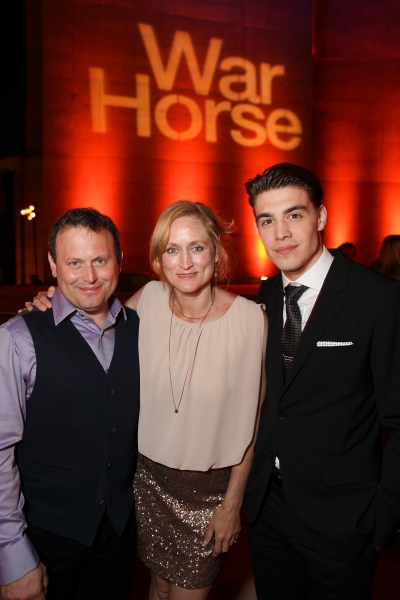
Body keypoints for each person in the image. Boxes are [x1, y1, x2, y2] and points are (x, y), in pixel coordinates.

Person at [26, 201, 267, 600]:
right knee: (155, 586)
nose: (185, 262)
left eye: (197, 247)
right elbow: (91, 312)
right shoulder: (148, 300)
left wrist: (232, 503)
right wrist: (49, 299)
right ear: (158, 259)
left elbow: (254, 420)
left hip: (206, 496)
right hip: (146, 484)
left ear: (216, 252)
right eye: (172, 249)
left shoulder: (250, 320)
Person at [244, 163, 400, 600]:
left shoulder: (378, 298)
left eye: (294, 215)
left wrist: (381, 521)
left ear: (321, 217)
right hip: (268, 510)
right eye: (267, 220)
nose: (281, 234)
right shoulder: (269, 294)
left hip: (343, 520)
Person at [0, 208, 140, 600]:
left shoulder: (140, 329)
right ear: (53, 265)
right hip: (44, 537)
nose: (89, 276)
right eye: (74, 262)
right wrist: (13, 556)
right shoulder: (17, 338)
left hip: (117, 536)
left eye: (100, 260)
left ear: (119, 260)